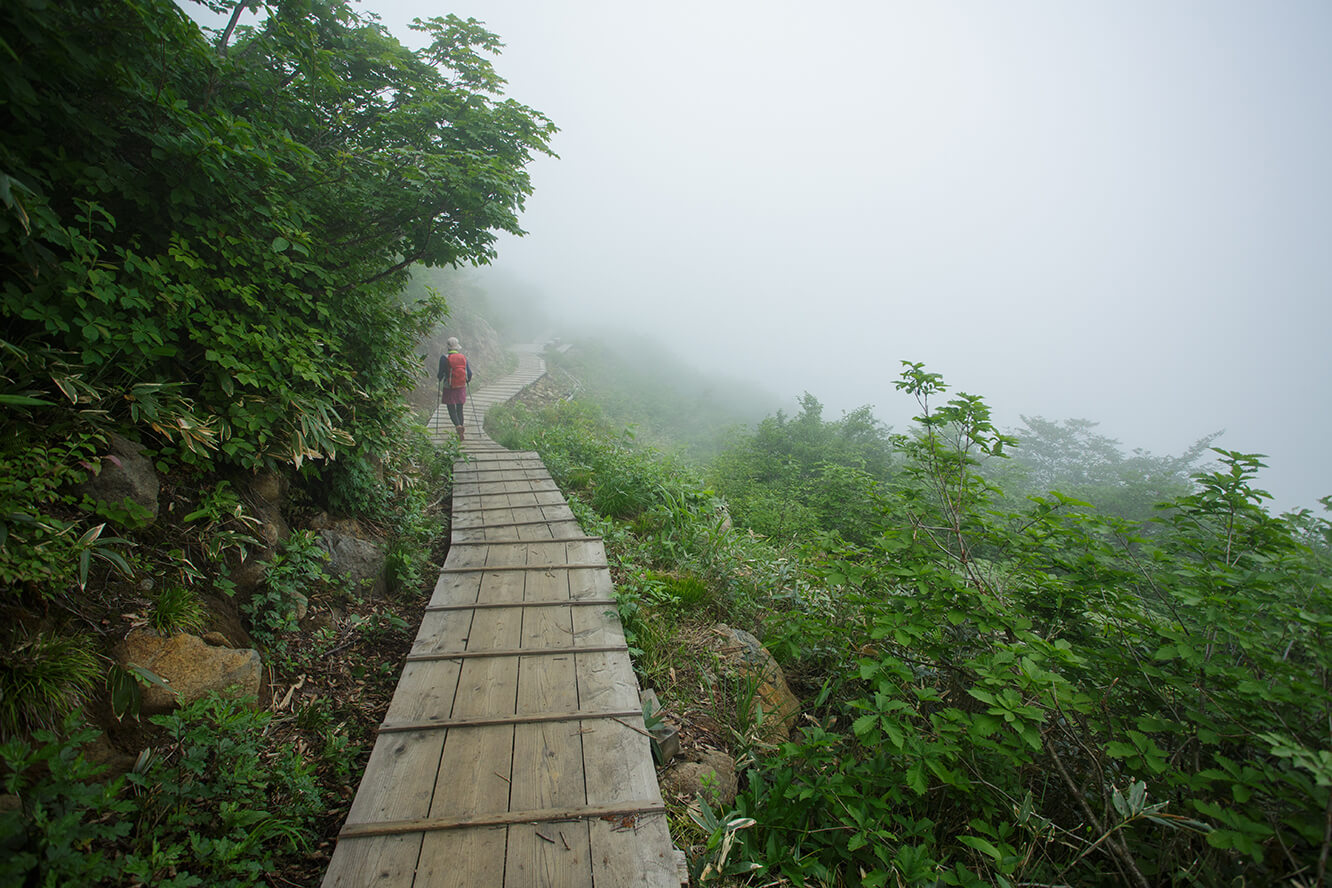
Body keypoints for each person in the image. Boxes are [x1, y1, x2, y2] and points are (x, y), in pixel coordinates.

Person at [437, 337, 472, 440]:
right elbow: (469, 373)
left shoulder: (444, 358)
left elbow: (440, 374)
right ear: (457, 347)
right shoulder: (463, 357)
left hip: (449, 386)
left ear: (447, 346)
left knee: (451, 408)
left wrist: (440, 378)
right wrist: (466, 381)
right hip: (461, 386)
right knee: (460, 408)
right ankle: (461, 426)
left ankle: (458, 426)